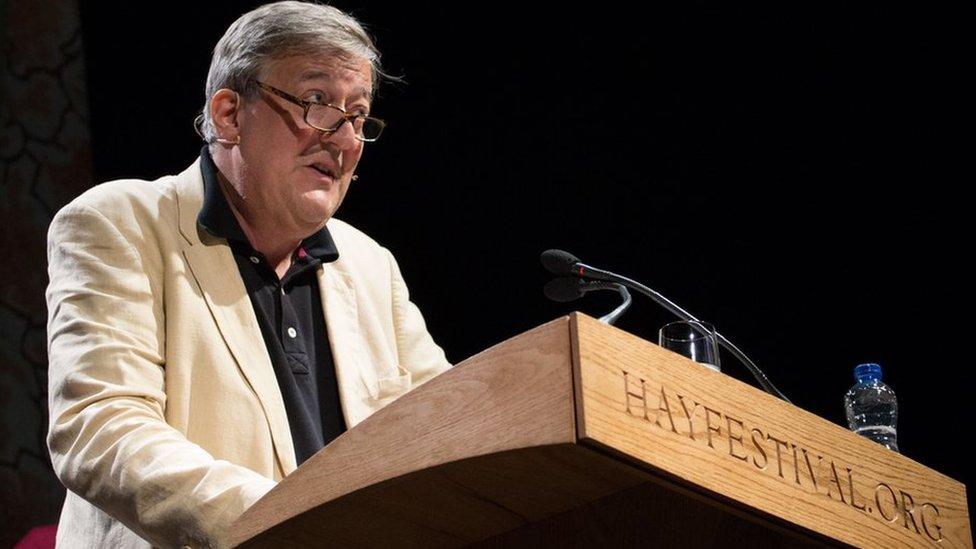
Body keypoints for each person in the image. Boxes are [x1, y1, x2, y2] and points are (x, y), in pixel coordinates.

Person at [45, 2, 451, 547]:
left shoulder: (371, 265)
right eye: (317, 103)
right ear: (229, 114)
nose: (345, 139)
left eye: (357, 115)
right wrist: (287, 524)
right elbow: (100, 430)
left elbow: (448, 433)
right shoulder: (120, 223)